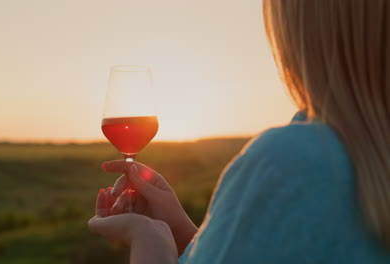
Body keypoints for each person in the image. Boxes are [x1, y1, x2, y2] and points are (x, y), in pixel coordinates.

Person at [88, 0, 390, 263]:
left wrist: (147, 238)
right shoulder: (363, 159)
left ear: (298, 32)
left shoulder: (289, 162)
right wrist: (182, 232)